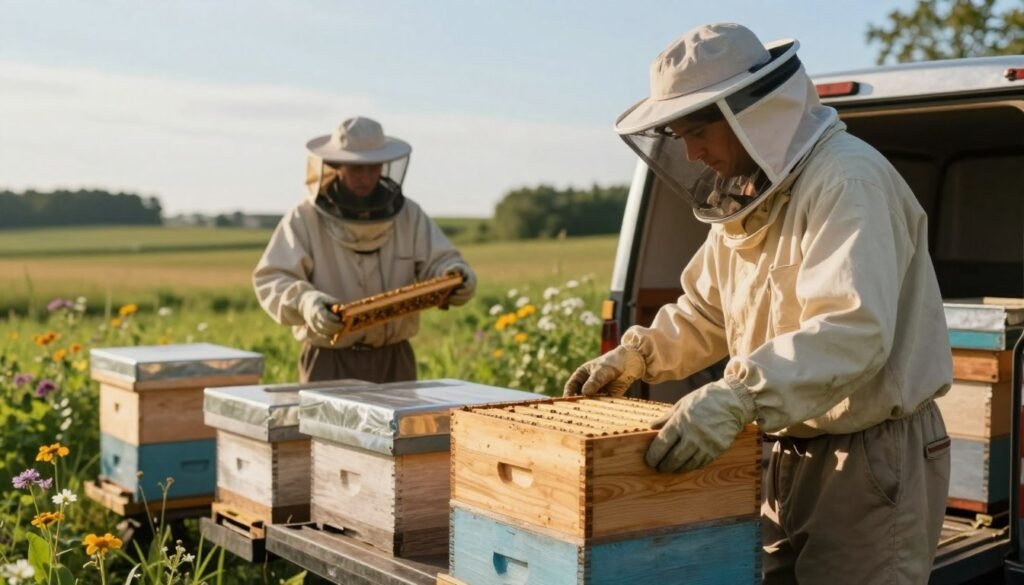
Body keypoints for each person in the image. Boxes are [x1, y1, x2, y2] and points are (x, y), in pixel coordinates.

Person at [564, 23, 951, 584]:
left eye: (698, 132)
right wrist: (641, 355)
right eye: (680, 136)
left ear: (754, 113)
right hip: (781, 449)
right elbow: (707, 313)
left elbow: (853, 330)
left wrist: (738, 395)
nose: (693, 153)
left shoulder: (847, 180)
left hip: (868, 457)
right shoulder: (747, 196)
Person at [253, 117, 477, 384]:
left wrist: (456, 276)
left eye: (373, 168)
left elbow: (441, 260)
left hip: (394, 358)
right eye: (357, 168)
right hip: (329, 358)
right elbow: (272, 278)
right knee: (324, 429)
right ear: (337, 166)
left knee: (401, 428)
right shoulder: (304, 218)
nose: (366, 178)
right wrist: (305, 302)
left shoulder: (409, 215)